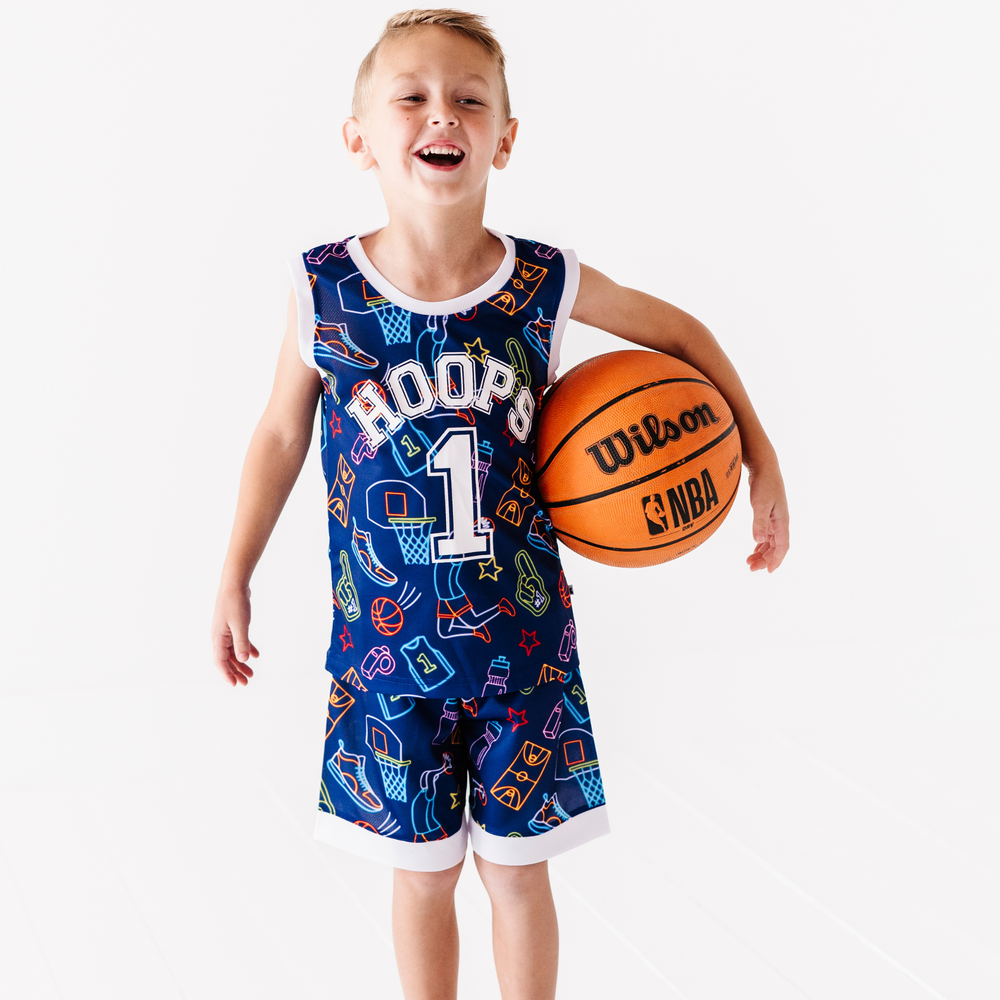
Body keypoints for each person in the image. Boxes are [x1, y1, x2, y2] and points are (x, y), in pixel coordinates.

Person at [210, 9, 789, 999]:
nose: (443, 113)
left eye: (470, 99)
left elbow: (681, 331)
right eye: (412, 96)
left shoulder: (541, 282)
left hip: (524, 644)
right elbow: (277, 436)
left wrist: (762, 459)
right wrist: (234, 570)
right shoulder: (326, 292)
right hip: (383, 657)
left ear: (504, 139)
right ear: (359, 137)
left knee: (519, 874)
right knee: (420, 879)